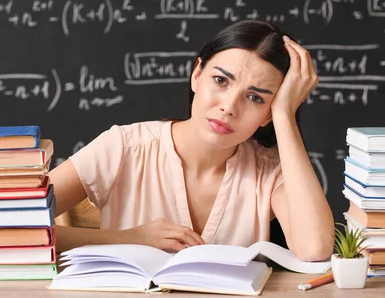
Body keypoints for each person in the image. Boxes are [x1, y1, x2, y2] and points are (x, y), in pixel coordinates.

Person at [49, 20, 334, 261]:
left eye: (255, 97)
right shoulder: (125, 146)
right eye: (221, 81)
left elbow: (315, 250)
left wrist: (285, 113)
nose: (229, 106)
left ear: (267, 114)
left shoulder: (268, 172)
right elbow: (11, 226)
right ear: (197, 75)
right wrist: (127, 239)